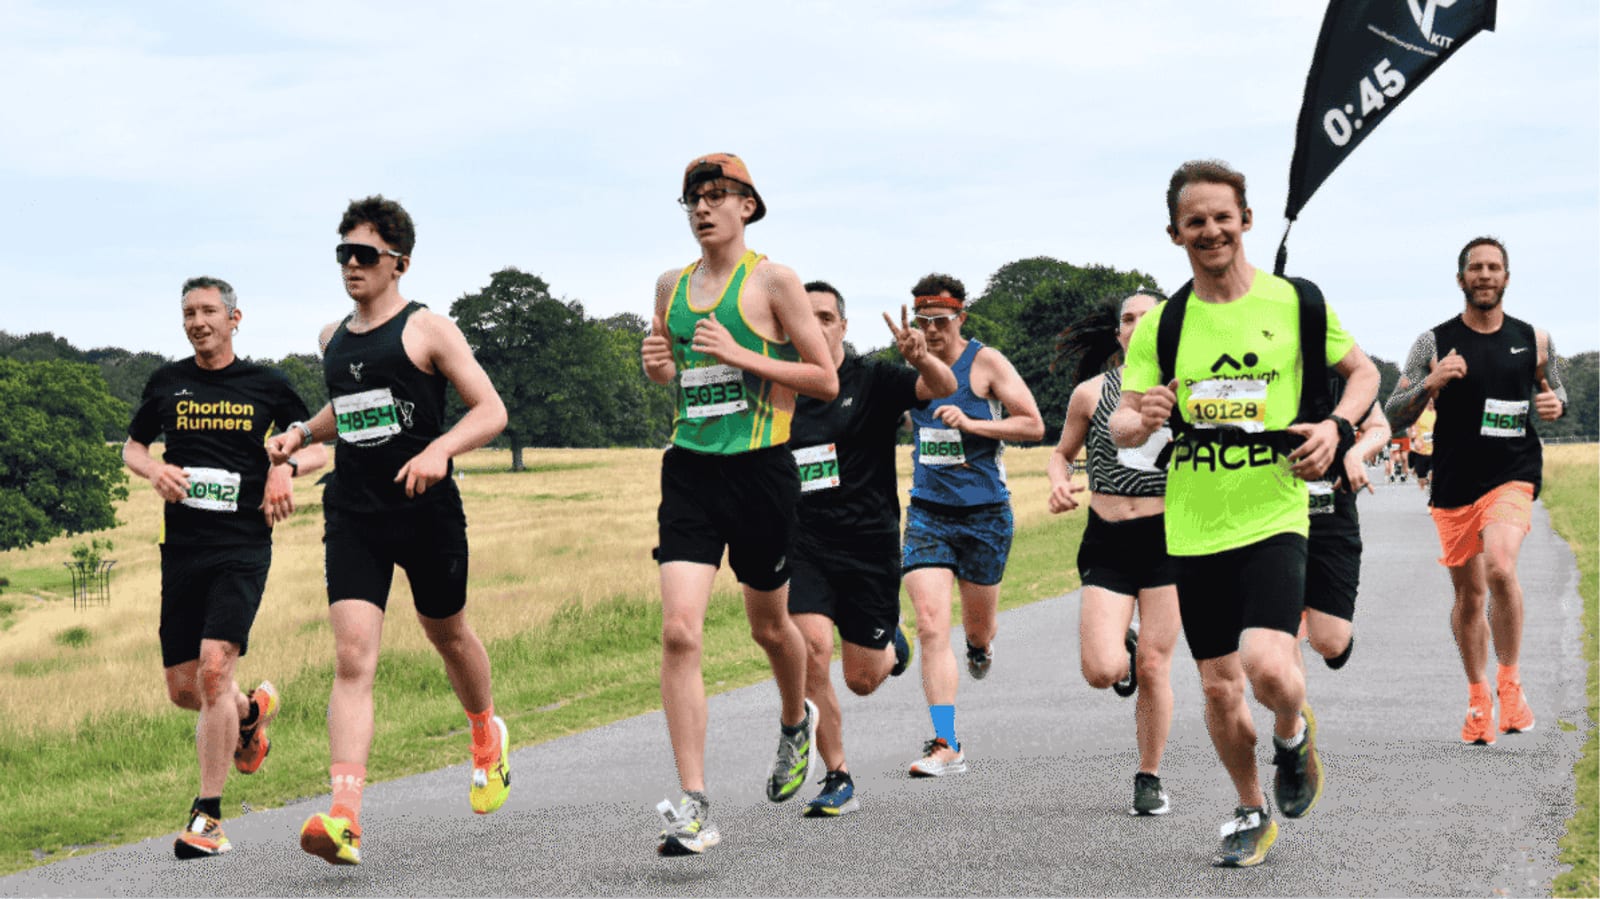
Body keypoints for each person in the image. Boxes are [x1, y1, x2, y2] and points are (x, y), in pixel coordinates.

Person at [1110, 159, 1379, 868]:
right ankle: (1251, 807)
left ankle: (1292, 733)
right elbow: (1124, 428)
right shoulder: (1162, 325)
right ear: (1175, 233)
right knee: (1219, 683)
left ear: (1246, 221)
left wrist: (1338, 428)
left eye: (1222, 216)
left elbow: (1365, 373)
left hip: (1274, 511)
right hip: (1194, 525)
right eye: (1195, 220)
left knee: (1268, 663)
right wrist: (1146, 417)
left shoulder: (1296, 303)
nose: (1211, 230)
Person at [266, 196, 511, 866]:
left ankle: (486, 732)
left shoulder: (428, 328)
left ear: (399, 261)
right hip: (355, 512)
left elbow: (491, 410)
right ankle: (344, 816)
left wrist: (440, 451)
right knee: (352, 657)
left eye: (365, 254)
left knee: (447, 632)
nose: (351, 264)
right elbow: (347, 410)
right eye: (343, 252)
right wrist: (299, 434)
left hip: (426, 511)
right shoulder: (331, 339)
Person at [640, 154, 839, 855]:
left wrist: (748, 354)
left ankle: (794, 720)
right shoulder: (670, 284)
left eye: (718, 195)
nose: (703, 207)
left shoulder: (775, 281)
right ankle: (694, 803)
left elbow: (824, 377)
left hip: (761, 469)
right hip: (690, 468)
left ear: (748, 207)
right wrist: (658, 366)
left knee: (769, 625)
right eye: (694, 196)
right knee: (679, 632)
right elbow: (670, 367)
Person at [123, 276, 327, 859]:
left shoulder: (267, 384)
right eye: (188, 312)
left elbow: (314, 443)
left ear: (235, 319)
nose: (197, 321)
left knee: (215, 671)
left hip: (241, 543)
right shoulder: (167, 383)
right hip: (182, 547)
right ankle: (250, 714)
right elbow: (133, 446)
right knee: (186, 690)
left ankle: (207, 819)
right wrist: (153, 471)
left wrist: (285, 468)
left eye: (209, 310)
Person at [1384, 236, 1567, 745]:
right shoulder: (1433, 342)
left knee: (1501, 567)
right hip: (1455, 480)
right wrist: (1431, 383)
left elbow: (1558, 393)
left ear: (1507, 277)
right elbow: (1394, 410)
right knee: (1469, 595)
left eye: (1494, 267)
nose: (1485, 275)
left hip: (1513, 471)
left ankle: (1511, 685)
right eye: (1475, 268)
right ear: (1461, 278)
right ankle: (1477, 696)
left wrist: (1555, 406)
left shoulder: (1537, 339)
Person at [786, 281, 956, 817]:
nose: (814, 326)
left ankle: (891, 647)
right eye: (803, 318)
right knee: (811, 648)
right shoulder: (778, 389)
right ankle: (838, 776)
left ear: (842, 325)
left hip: (868, 547)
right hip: (803, 544)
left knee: (862, 680)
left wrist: (923, 359)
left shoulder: (874, 379)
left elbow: (944, 387)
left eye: (824, 317)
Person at [900, 273, 1045, 778]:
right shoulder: (911, 364)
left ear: (961, 317)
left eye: (941, 321)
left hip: (985, 514)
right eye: (923, 322)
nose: (932, 331)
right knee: (931, 624)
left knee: (976, 628)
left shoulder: (985, 362)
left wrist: (975, 425)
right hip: (927, 513)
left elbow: (1033, 423)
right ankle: (946, 742)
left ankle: (980, 646)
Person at [1045, 287, 1180, 817]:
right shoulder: (1090, 394)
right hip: (1107, 536)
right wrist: (1058, 482)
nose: (1136, 325)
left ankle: (1149, 774)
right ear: (1119, 332)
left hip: (1170, 541)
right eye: (1128, 318)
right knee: (1103, 669)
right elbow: (1061, 454)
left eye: (1148, 317)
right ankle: (1118, 650)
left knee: (1155, 663)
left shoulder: (1188, 391)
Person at [1302, 381, 1390, 672]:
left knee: (1331, 642)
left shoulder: (1339, 369)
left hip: (1330, 514)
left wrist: (1356, 454)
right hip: (1266, 515)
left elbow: (1379, 426)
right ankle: (1293, 715)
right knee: (1277, 627)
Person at [1408, 398, 1437, 492]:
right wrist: (1414, 438)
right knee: (1422, 479)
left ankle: (1432, 488)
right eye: (1429, 403)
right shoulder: (1420, 415)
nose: (1431, 404)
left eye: (1432, 403)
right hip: (1421, 450)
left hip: (1434, 450)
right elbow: (1411, 428)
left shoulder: (1437, 414)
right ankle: (1425, 483)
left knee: (1433, 472)